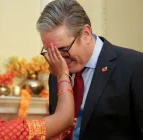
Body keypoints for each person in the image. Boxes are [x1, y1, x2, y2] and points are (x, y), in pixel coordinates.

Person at [37, 0, 143, 140]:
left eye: (63, 50)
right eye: (50, 51)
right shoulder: (57, 73)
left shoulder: (134, 66)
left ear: (86, 34)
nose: (59, 59)